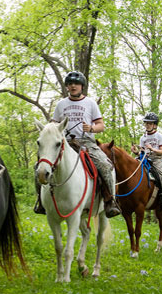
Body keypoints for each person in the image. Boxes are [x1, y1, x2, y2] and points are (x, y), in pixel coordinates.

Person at [34, 71, 120, 218]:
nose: (73, 86)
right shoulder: (61, 104)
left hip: (87, 142)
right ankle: (41, 201)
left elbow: (101, 125)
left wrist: (92, 128)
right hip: (65, 143)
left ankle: (110, 201)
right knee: (38, 166)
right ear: (67, 86)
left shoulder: (90, 103)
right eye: (70, 84)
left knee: (105, 165)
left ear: (82, 86)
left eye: (76, 83)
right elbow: (54, 125)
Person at [131, 112, 162, 216]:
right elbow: (141, 152)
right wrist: (136, 152)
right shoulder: (142, 138)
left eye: (150, 123)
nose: (147, 125)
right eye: (146, 123)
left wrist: (152, 149)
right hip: (144, 158)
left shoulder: (159, 136)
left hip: (157, 159)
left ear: (155, 125)